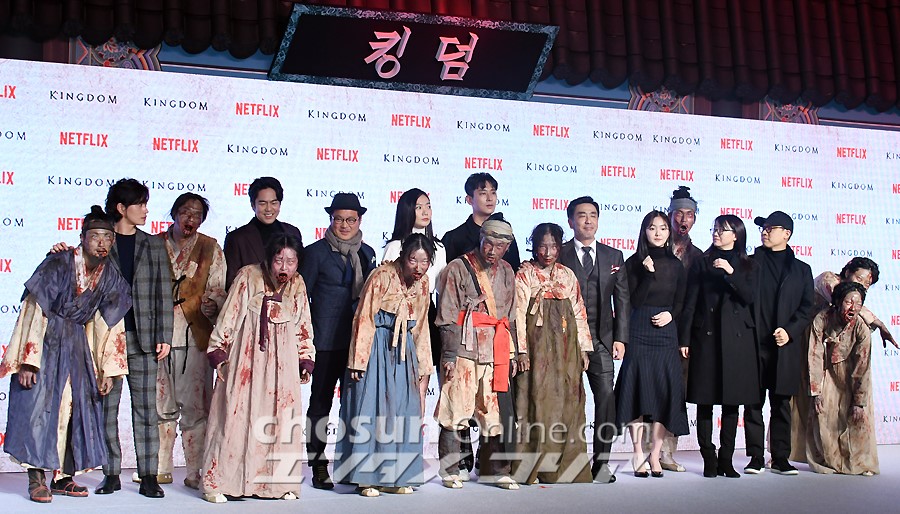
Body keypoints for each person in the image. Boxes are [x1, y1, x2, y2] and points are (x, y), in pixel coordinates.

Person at [1, 206, 131, 503]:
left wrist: (107, 369)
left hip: (77, 346)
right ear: (82, 237)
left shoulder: (109, 275)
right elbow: (34, 310)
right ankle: (36, 478)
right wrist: (28, 360)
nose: (101, 243)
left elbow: (109, 325)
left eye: (107, 237)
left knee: (75, 410)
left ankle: (64, 477)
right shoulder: (57, 264)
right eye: (95, 236)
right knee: (39, 408)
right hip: (47, 343)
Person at [200, 234, 315, 502]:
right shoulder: (247, 277)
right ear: (269, 259)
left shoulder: (298, 284)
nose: (284, 267)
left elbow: (303, 323)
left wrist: (305, 357)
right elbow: (229, 316)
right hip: (247, 358)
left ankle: (278, 485)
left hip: (283, 362)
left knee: (282, 418)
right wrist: (219, 351)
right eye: (279, 260)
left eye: (291, 261)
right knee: (236, 416)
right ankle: (219, 483)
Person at [336, 233, 435, 497]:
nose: (418, 267)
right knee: (372, 409)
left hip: (404, 350)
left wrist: (423, 366)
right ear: (403, 256)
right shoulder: (381, 276)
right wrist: (358, 360)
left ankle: (397, 476)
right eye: (413, 260)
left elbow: (422, 325)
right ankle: (366, 478)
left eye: (424, 262)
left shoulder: (424, 283)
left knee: (403, 410)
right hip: (377, 345)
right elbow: (364, 317)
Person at [96, 179, 174, 498]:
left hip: (145, 340)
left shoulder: (153, 244)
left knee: (145, 410)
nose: (145, 210)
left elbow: (163, 292)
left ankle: (148, 475)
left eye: (145, 203)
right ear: (121, 208)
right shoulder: (102, 242)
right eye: (140, 204)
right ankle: (111, 473)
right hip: (107, 341)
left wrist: (164, 334)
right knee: (107, 410)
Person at [436, 219, 526, 490]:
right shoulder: (458, 267)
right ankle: (450, 469)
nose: (492, 250)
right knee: (456, 408)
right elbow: (447, 314)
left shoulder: (508, 271)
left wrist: (514, 353)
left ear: (507, 248)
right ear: (480, 239)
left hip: (496, 349)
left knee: (495, 413)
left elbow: (511, 316)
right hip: (463, 348)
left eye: (499, 246)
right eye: (489, 243)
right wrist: (449, 355)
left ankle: (497, 470)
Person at [301, 193, 377, 490]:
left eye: (350, 220)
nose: (344, 225)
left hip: (358, 343)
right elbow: (301, 298)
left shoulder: (368, 253)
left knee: (356, 404)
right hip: (324, 340)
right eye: (338, 219)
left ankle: (353, 464)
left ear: (360, 221)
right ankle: (318, 463)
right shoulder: (315, 253)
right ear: (330, 220)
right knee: (320, 403)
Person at [151, 193, 226, 489]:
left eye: (196, 214)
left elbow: (218, 289)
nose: (190, 218)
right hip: (157, 336)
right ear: (173, 214)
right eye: (185, 212)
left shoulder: (210, 247)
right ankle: (160, 468)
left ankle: (195, 470)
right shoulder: (153, 245)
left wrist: (211, 304)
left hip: (195, 336)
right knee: (161, 405)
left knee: (196, 408)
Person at [791, 256, 897, 462]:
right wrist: (879, 323)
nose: (861, 286)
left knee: (835, 401)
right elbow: (842, 297)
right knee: (801, 400)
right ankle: (789, 452)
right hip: (808, 340)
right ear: (848, 270)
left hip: (831, 346)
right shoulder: (828, 279)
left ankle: (834, 454)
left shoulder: (855, 310)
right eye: (859, 278)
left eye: (867, 284)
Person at [513, 223, 593, 484]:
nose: (547, 252)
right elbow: (517, 316)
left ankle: (563, 468)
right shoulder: (525, 275)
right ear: (534, 247)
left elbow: (579, 313)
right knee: (535, 401)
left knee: (566, 403)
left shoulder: (567, 275)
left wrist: (584, 349)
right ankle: (532, 467)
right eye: (542, 246)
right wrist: (521, 351)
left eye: (553, 246)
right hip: (536, 349)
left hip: (566, 349)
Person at [681, 215, 759, 478]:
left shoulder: (749, 265)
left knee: (731, 402)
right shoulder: (701, 262)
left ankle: (726, 459)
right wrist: (685, 339)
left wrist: (730, 272)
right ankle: (708, 457)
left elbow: (750, 297)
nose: (716, 233)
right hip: (706, 338)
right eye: (714, 229)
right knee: (704, 401)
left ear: (736, 235)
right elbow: (690, 302)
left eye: (722, 230)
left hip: (737, 342)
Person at [559, 196, 629, 483]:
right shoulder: (559, 253)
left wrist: (620, 338)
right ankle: (564, 463)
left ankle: (602, 464)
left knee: (606, 400)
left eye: (593, 215)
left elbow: (622, 300)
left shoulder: (614, 256)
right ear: (570, 221)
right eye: (581, 215)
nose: (588, 220)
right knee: (565, 402)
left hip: (602, 339)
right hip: (567, 342)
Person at [614, 210, 688, 478]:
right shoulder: (633, 262)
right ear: (644, 231)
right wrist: (647, 274)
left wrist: (671, 315)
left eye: (663, 228)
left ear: (669, 233)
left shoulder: (676, 265)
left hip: (666, 332)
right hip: (639, 329)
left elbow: (681, 301)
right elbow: (631, 301)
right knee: (636, 389)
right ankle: (637, 452)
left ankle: (655, 455)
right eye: (652, 228)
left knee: (664, 392)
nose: (658, 233)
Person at [744, 211, 814, 475]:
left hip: (784, 347)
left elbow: (806, 308)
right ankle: (755, 457)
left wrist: (790, 331)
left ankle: (780, 458)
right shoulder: (749, 263)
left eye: (771, 228)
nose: (764, 232)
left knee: (781, 404)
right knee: (752, 404)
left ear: (786, 234)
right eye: (763, 228)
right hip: (753, 345)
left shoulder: (801, 270)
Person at [382, 188, 447, 414]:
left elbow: (441, 287)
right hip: (398, 318)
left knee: (422, 378)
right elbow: (386, 289)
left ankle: (416, 430)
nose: (425, 211)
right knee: (396, 382)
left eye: (428, 206)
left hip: (427, 314)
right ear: (407, 210)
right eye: (419, 207)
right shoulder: (394, 246)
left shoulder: (439, 248)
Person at [804, 281, 878, 476]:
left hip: (852, 375)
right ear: (838, 302)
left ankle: (860, 463)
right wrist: (816, 391)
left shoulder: (861, 328)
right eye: (848, 302)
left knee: (856, 418)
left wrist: (859, 401)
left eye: (858, 303)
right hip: (827, 371)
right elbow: (815, 355)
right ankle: (829, 461)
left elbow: (862, 366)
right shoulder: (822, 319)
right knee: (824, 415)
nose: (853, 307)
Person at [658, 185, 702, 472]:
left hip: (683, 336)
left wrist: (687, 337)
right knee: (651, 390)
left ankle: (667, 452)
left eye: (689, 214)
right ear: (669, 215)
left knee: (676, 393)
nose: (683, 220)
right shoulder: (653, 249)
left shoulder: (699, 257)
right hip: (653, 329)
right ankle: (646, 451)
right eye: (678, 214)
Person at [223, 176, 303, 290]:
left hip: (286, 299)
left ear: (279, 204)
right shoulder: (237, 238)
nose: (268, 209)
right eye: (262, 203)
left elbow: (299, 275)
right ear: (253, 205)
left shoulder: (293, 232)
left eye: (274, 203)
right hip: (250, 299)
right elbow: (230, 282)